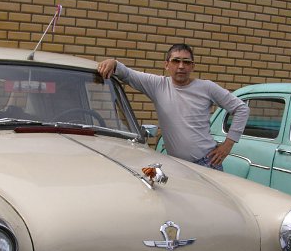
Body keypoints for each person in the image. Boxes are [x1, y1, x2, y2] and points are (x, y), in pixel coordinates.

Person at [97, 44, 249, 170]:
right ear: (166, 65)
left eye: (186, 62)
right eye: (176, 61)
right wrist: (113, 63)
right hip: (177, 165)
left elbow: (241, 109)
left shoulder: (207, 88)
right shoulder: (158, 85)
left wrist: (228, 145)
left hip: (207, 163)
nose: (181, 66)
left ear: (192, 66)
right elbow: (128, 74)